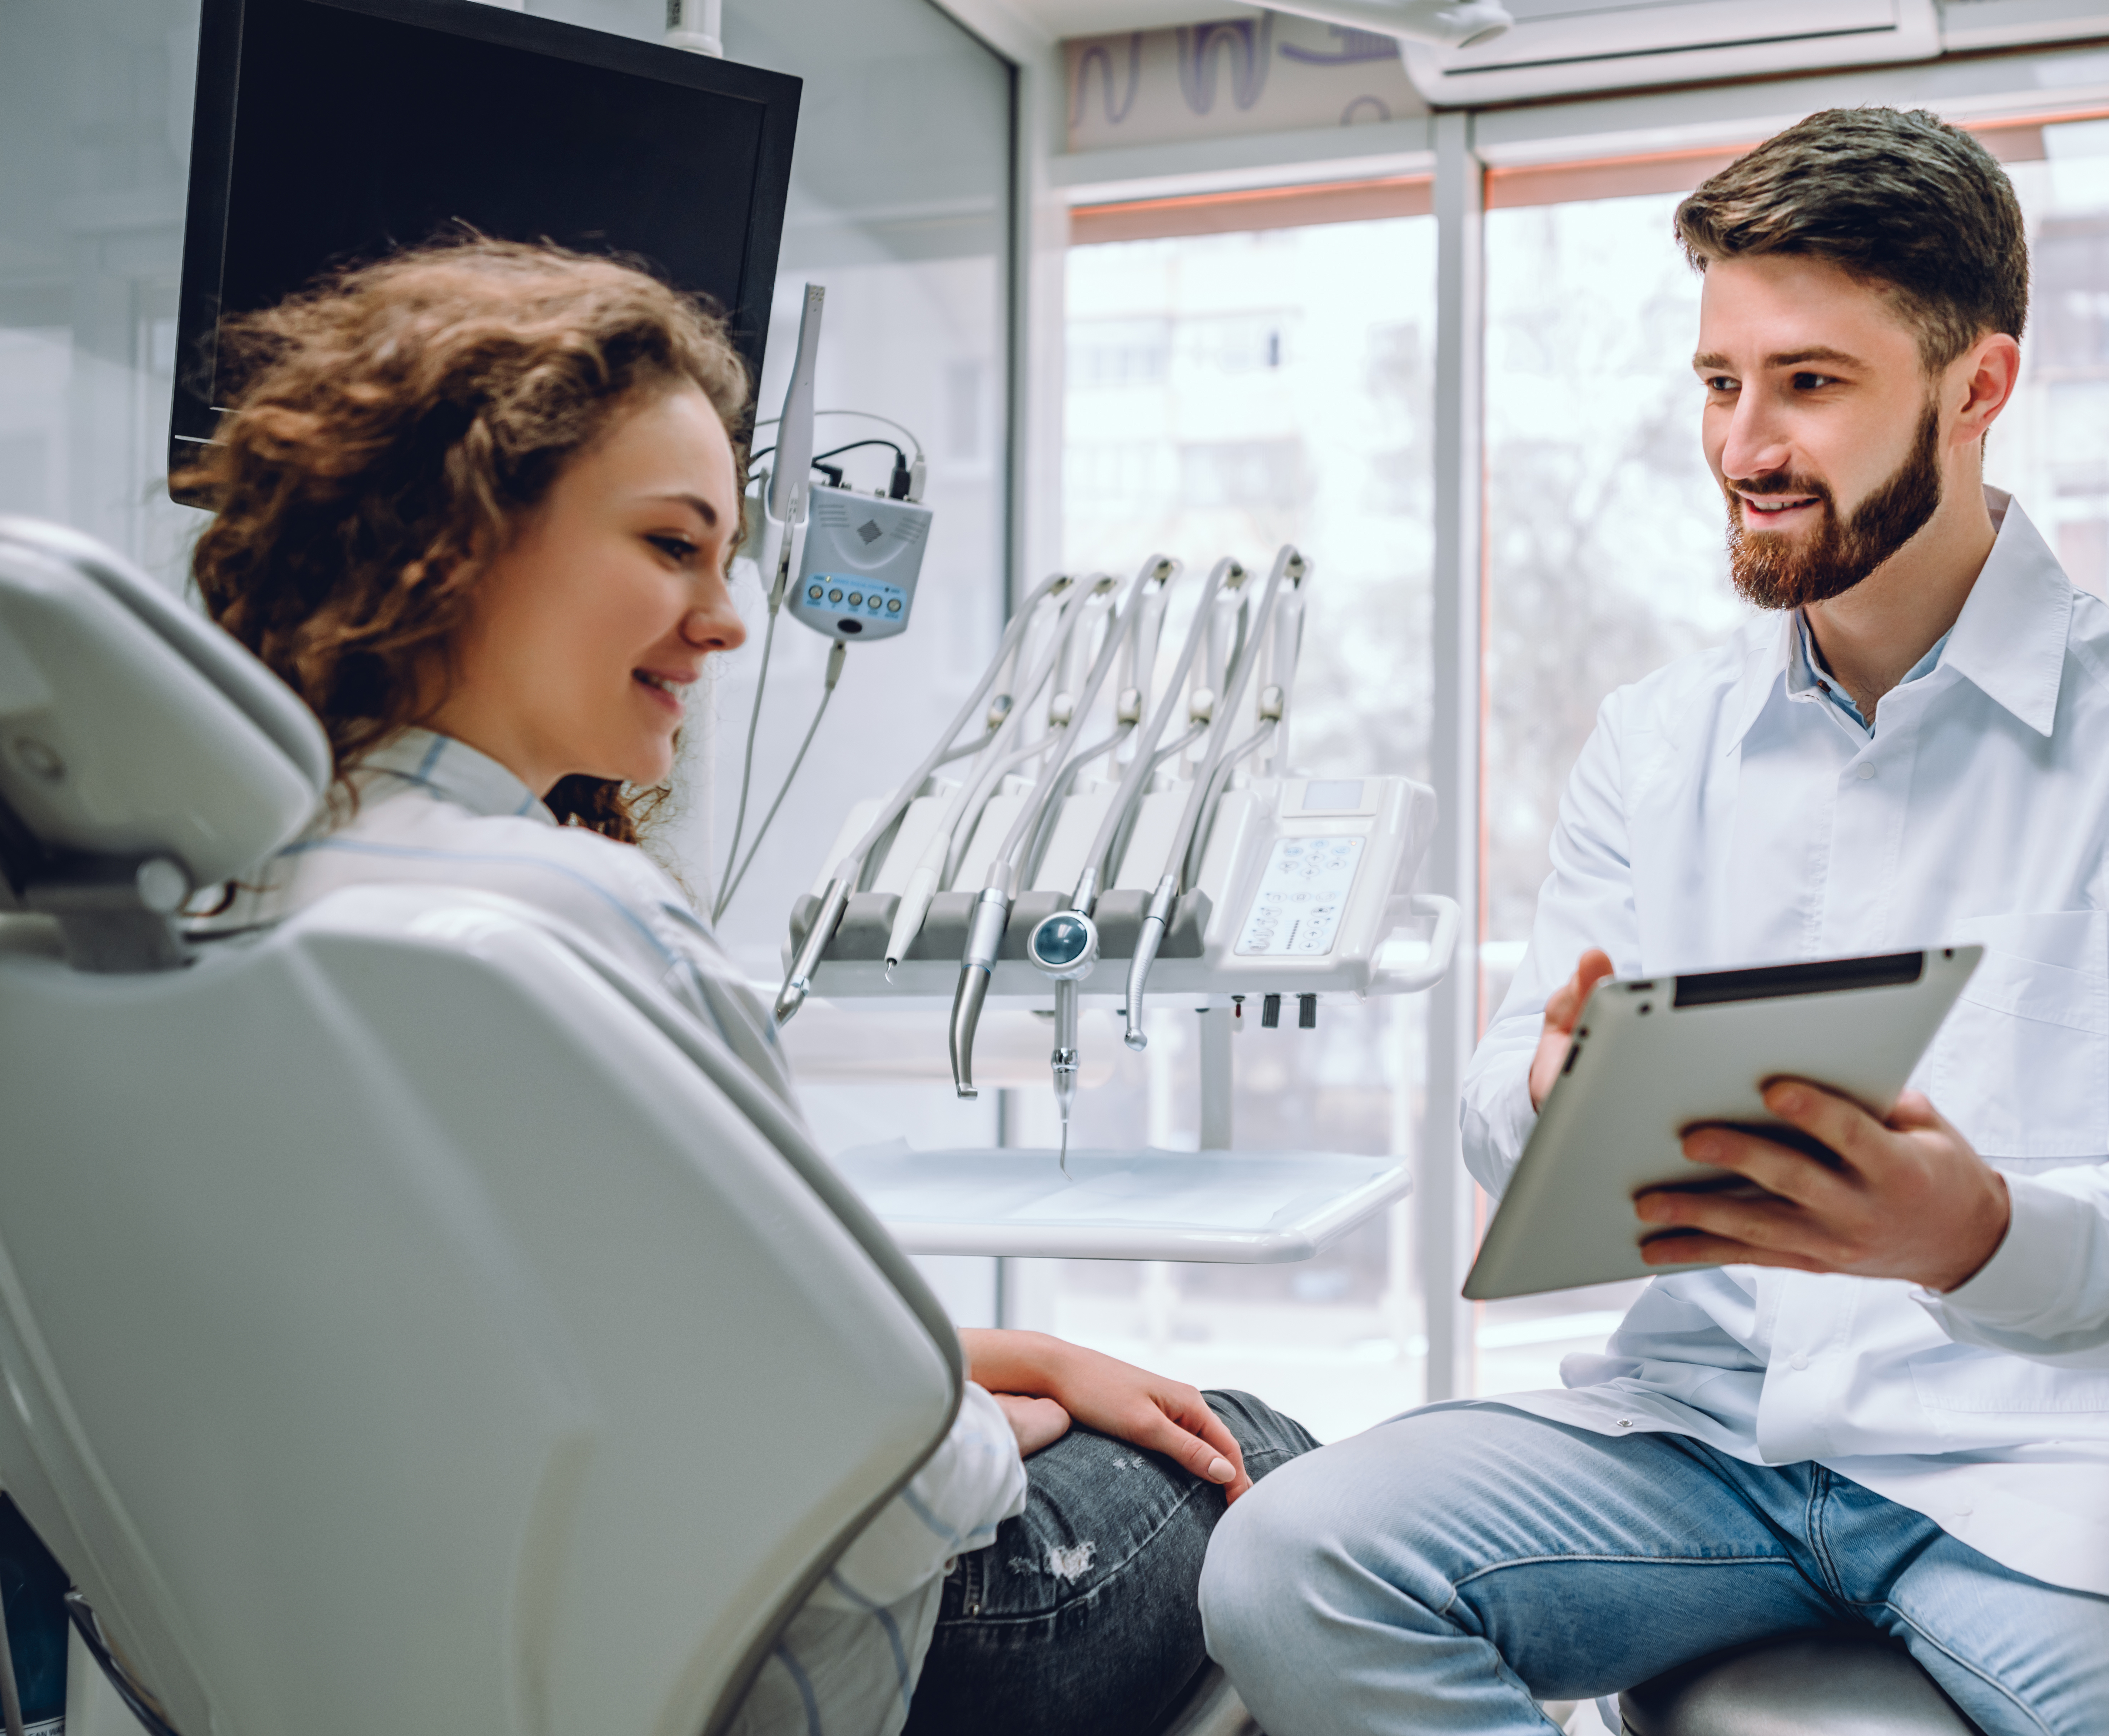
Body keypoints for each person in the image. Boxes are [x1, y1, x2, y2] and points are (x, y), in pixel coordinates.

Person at [1199, 108, 2109, 1735]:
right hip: (1704, 1446)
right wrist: (1547, 1094)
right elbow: (1494, 1099)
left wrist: (1970, 1234)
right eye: (1718, 383)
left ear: (1976, 390)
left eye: (1809, 384)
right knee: (1286, 1564)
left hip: (2047, 1466)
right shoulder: (1652, 739)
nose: (1745, 443)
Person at [174, 238, 1316, 1736]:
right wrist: (985, 1416)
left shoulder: (204, 921)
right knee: (1267, 1455)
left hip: (376, 1662)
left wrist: (989, 1356)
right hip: (760, 1672)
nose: (723, 621)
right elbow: (920, 1495)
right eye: (669, 546)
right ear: (453, 534)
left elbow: (532, 1335)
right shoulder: (572, 923)